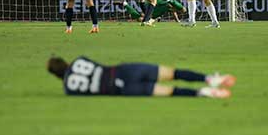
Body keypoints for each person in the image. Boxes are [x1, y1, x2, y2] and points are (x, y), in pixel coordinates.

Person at [47, 56, 236, 98]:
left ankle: (206, 92)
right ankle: (210, 79)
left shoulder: (69, 89)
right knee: (172, 73)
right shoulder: (79, 61)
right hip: (123, 71)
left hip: (120, 89)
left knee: (170, 91)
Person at [119, 0, 186, 23]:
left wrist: (177, 21)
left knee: (140, 19)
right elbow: (183, 10)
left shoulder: (167, 4)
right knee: (140, 19)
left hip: (152, 16)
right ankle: (125, 4)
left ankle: (125, 4)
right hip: (148, 13)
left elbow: (179, 10)